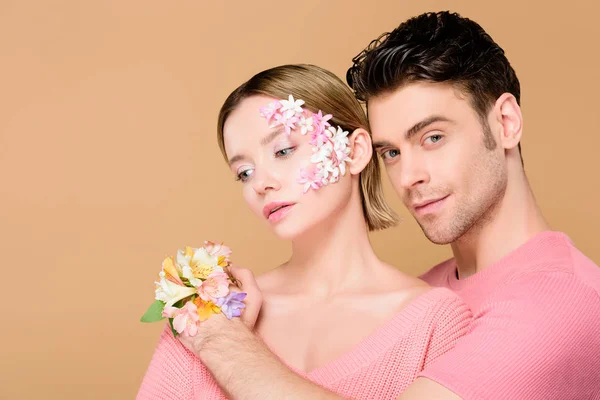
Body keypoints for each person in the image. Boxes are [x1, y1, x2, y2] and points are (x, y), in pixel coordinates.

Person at [141, 11, 600, 400]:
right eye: (392, 152)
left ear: (505, 121)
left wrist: (220, 338)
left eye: (433, 137)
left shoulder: (562, 302)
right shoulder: (432, 292)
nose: (408, 176)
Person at [137, 64, 473, 399]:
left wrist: (227, 347)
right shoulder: (207, 312)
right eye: (244, 172)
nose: (261, 184)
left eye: (283, 151)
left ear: (355, 151)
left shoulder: (435, 322)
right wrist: (214, 330)